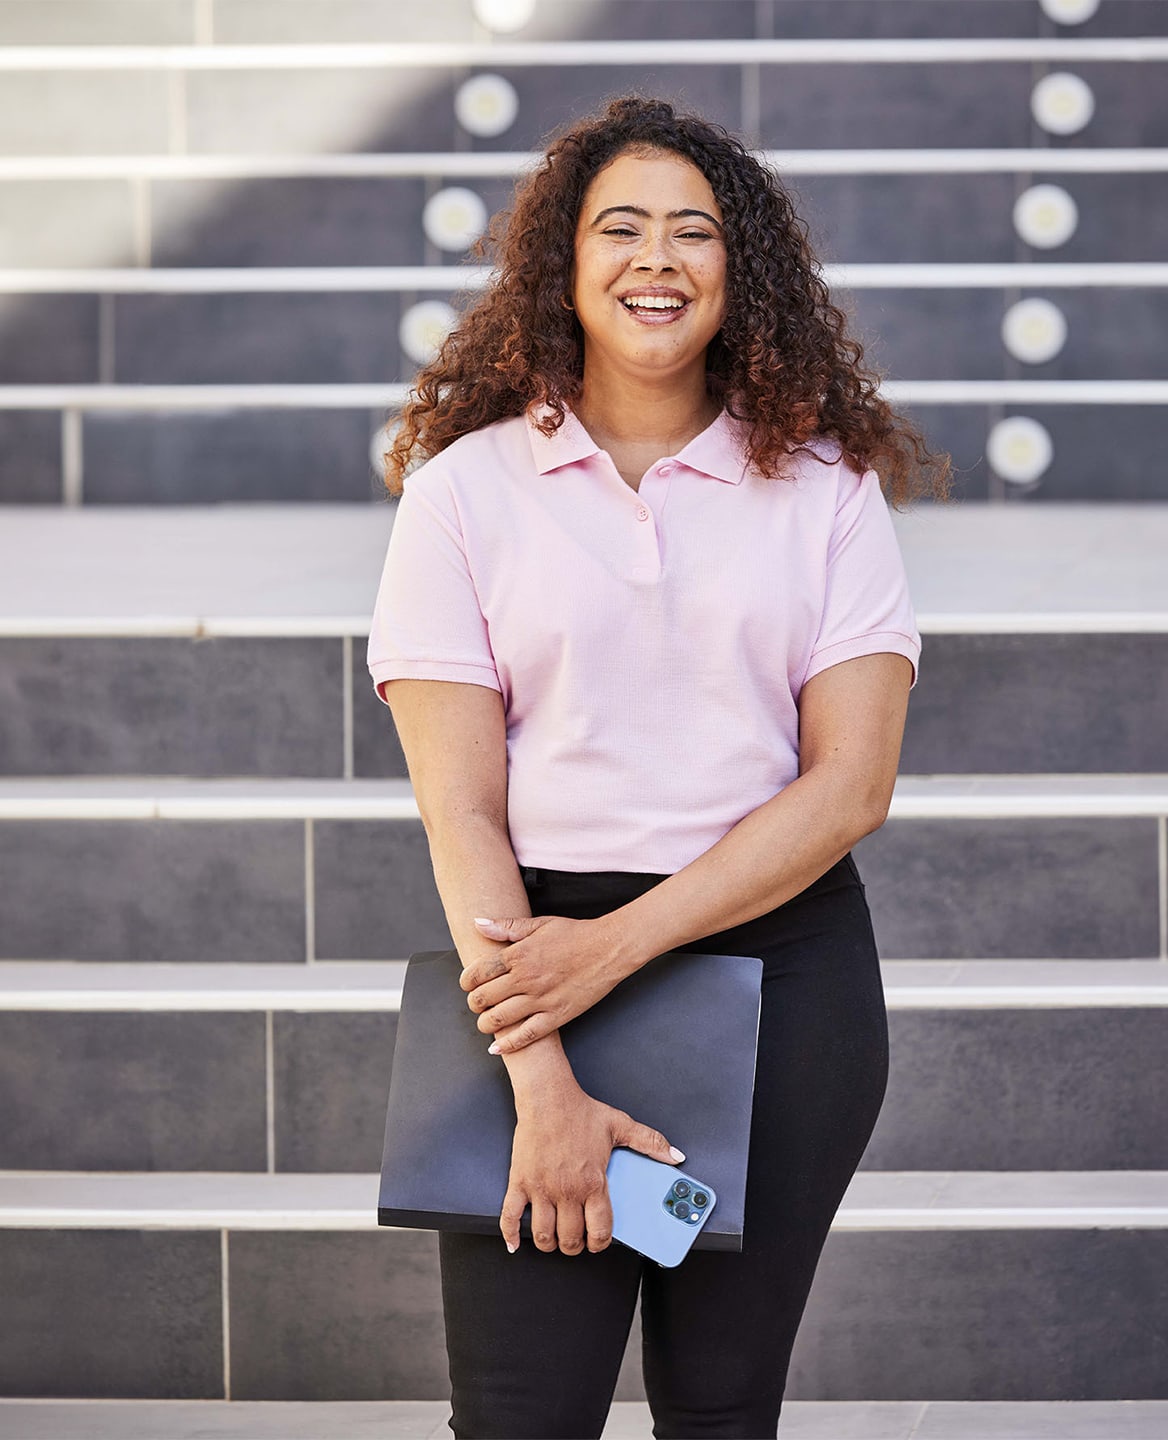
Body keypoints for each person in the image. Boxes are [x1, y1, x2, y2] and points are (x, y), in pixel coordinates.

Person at [366, 94, 951, 1440]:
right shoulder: (465, 492)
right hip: (526, 975)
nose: (657, 258)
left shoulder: (824, 488)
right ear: (561, 268)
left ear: (739, 270)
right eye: (618, 227)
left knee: (724, 1408)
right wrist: (543, 1068)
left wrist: (616, 949)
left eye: (696, 231)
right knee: (522, 1413)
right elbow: (459, 806)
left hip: (782, 988)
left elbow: (852, 785)